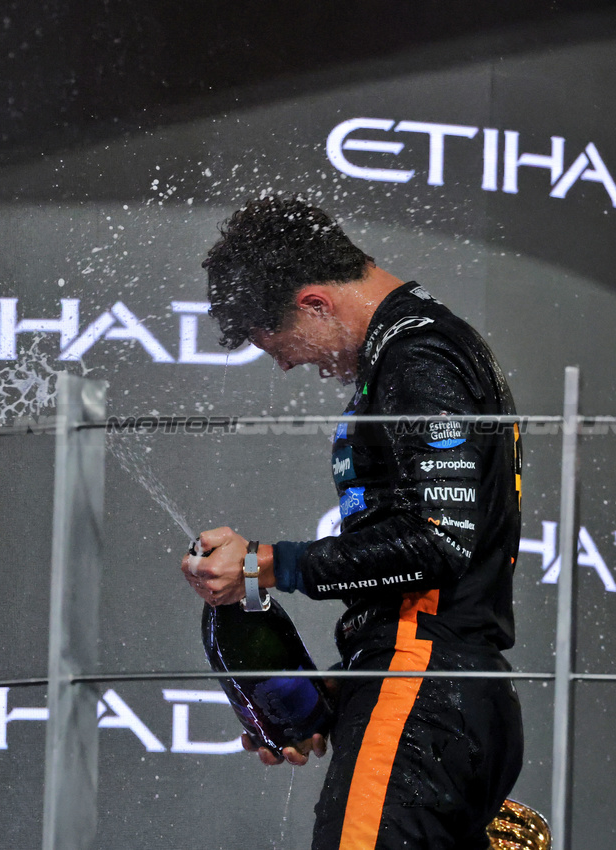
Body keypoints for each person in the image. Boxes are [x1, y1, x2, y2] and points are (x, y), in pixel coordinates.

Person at [181, 197, 523, 849]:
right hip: (425, 687)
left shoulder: (418, 355)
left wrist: (264, 563)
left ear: (314, 303)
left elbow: (438, 544)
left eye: (278, 346)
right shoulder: (418, 350)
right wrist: (336, 688)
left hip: (419, 687)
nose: (284, 365)